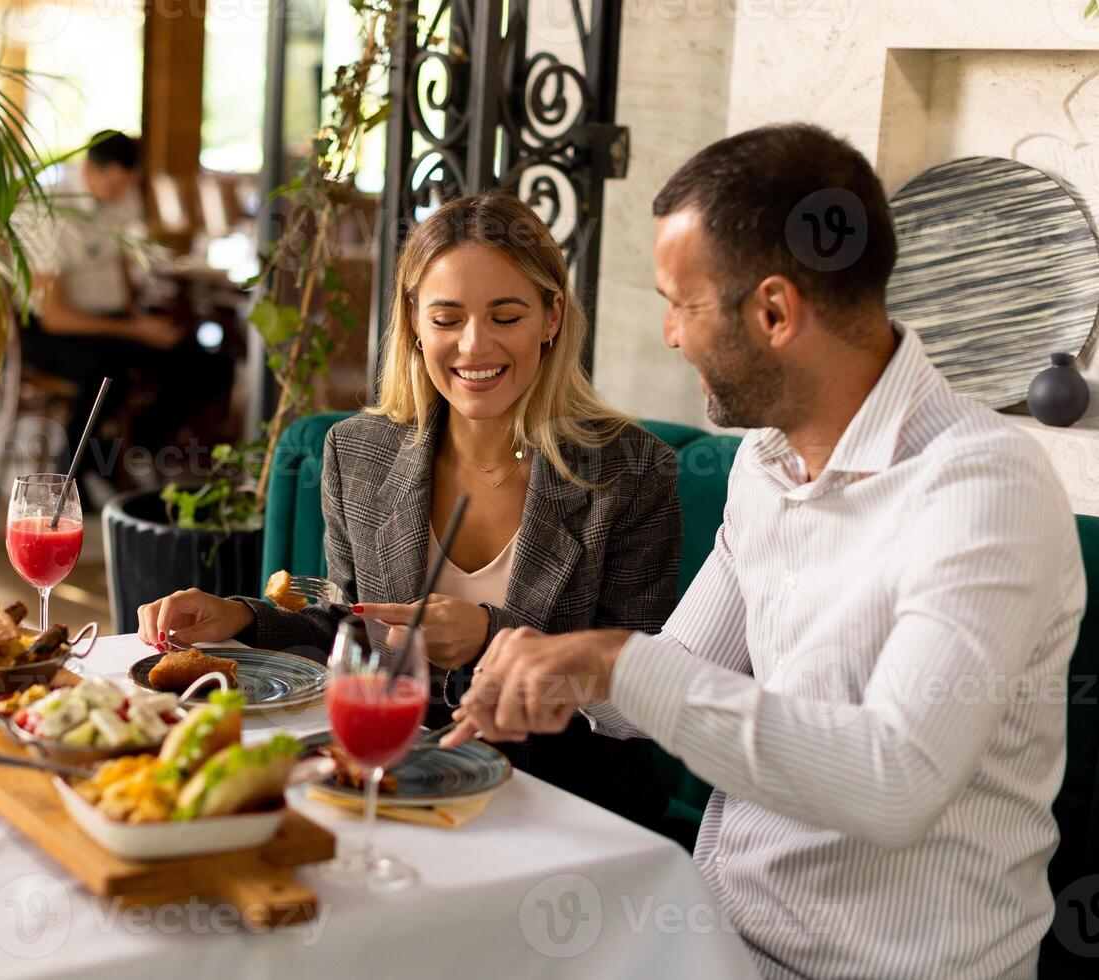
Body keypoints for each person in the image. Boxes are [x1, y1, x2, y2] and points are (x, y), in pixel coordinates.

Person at [443, 124, 1085, 978]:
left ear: (775, 312)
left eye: (683, 303)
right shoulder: (765, 464)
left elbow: (894, 781)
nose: (670, 334)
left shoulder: (980, 487)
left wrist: (612, 661)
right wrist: (549, 660)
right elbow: (655, 687)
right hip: (717, 938)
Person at [136, 193, 682, 824]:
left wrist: (489, 636)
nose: (474, 346)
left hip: (564, 806)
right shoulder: (358, 454)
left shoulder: (631, 473)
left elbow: (641, 687)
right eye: (447, 319)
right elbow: (352, 630)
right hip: (392, 779)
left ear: (552, 316)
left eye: (506, 317)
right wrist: (241, 619)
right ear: (415, 323)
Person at [22, 130, 233, 497]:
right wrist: (136, 330)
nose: (121, 192)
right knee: (107, 370)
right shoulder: (49, 209)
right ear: (90, 168)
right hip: (51, 331)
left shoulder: (125, 195)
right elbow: (53, 315)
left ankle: (138, 450)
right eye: (114, 183)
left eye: (127, 184)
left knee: (211, 366)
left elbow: (123, 264)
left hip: (115, 322)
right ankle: (75, 476)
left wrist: (137, 315)